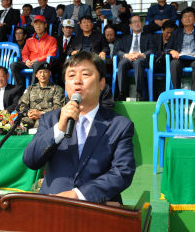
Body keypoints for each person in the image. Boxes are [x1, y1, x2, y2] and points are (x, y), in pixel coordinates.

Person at [23, 51, 135, 203]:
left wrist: (79, 194)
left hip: (98, 209)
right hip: (52, 207)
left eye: (85, 74)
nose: (77, 81)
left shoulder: (119, 125)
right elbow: (31, 160)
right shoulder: (50, 119)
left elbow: (123, 172)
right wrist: (59, 128)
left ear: (101, 83)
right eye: (71, 76)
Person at [165, 7, 195, 93]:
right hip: (180, 58)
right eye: (185, 16)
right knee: (174, 63)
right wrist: (171, 51)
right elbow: (167, 48)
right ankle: (176, 92)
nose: (187, 18)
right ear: (181, 20)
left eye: (190, 16)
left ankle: (194, 93)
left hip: (194, 58)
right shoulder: (176, 32)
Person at [114, 15, 155, 101]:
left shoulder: (148, 37)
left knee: (137, 62)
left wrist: (141, 54)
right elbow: (117, 50)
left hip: (141, 59)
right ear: (130, 25)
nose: (137, 23)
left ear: (142, 23)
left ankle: (139, 92)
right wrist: (126, 55)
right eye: (134, 22)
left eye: (139, 21)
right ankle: (122, 93)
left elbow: (153, 50)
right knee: (122, 63)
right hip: (128, 57)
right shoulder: (125, 38)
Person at [10, 15, 57, 86]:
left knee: (36, 64)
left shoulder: (52, 39)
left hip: (43, 64)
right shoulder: (29, 40)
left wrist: (37, 60)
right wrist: (26, 61)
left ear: (45, 25)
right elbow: (24, 53)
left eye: (40, 24)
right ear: (33, 26)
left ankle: (32, 88)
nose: (38, 26)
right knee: (14, 65)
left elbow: (51, 54)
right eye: (36, 24)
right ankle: (19, 87)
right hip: (30, 63)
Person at [18, 63, 65, 129]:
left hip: (47, 118)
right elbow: (20, 105)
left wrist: (41, 113)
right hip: (30, 117)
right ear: (36, 75)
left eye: (45, 72)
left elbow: (59, 108)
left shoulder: (57, 89)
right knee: (16, 124)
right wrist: (28, 113)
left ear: (50, 73)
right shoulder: (30, 89)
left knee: (40, 124)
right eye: (40, 72)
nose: (42, 75)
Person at [53, 19, 75, 85]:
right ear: (62, 29)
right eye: (66, 28)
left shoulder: (75, 40)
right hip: (57, 62)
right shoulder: (56, 39)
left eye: (70, 28)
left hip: (69, 62)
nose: (68, 30)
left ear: (73, 30)